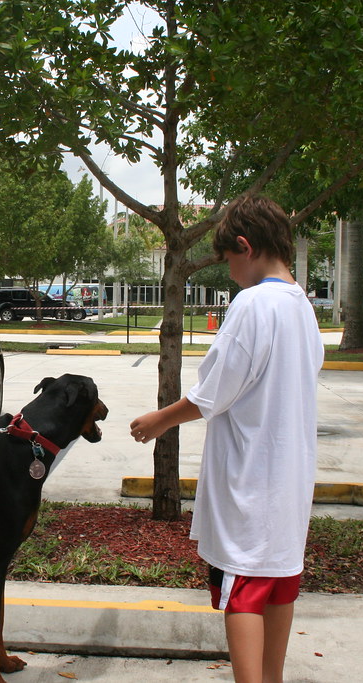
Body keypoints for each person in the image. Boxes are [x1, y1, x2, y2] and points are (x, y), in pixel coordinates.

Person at [129, 195, 323, 683]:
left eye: (229, 260)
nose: (229, 271)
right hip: (290, 482)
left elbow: (213, 393)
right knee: (278, 586)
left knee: (242, 591)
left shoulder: (252, 304)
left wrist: (159, 421)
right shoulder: (303, 306)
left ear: (246, 245)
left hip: (250, 481)